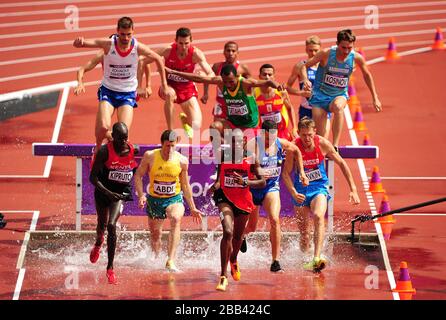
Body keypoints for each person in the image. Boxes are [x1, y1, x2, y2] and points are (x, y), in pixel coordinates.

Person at [73, 16, 168, 152]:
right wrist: (80, 43)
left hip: (127, 94)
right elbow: (90, 43)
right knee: (103, 127)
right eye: (122, 34)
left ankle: (119, 146)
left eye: (128, 34)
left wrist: (160, 84)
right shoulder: (108, 45)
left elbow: (157, 58)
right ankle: (99, 149)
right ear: (117, 32)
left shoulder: (137, 47)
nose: (125, 38)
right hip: (108, 91)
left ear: (133, 32)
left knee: (123, 132)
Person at [282, 117, 360, 272]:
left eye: (309, 135)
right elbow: (285, 173)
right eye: (303, 135)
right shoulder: (294, 147)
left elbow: (342, 163)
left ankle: (317, 258)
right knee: (304, 236)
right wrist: (293, 192)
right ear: (299, 134)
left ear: (314, 132)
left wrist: (354, 189)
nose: (307, 139)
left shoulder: (322, 143)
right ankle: (306, 259)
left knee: (318, 216)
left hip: (319, 188)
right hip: (301, 191)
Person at [165, 64, 284, 150]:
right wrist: (174, 72)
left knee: (242, 146)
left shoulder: (245, 83)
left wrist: (277, 85)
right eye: (225, 81)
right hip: (232, 123)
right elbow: (198, 79)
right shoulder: (220, 82)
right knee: (214, 127)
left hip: (250, 125)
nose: (228, 85)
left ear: (237, 77)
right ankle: (223, 154)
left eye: (231, 81)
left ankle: (234, 151)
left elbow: (267, 82)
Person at [243, 120, 308, 272]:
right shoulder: (252, 146)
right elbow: (242, 167)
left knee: (275, 218)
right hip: (254, 188)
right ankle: (242, 236)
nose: (269, 141)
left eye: (272, 138)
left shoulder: (280, 143)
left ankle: (275, 261)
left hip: (271, 187)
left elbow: (297, 150)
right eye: (266, 139)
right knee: (252, 227)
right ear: (261, 134)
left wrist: (302, 172)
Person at [134, 130, 203, 272]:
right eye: (167, 146)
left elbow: (185, 185)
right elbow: (138, 176)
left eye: (173, 146)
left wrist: (193, 207)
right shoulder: (150, 156)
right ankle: (155, 258)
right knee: (155, 235)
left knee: (176, 218)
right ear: (162, 144)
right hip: (155, 200)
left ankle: (171, 260)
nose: (170, 149)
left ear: (176, 144)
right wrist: (141, 195)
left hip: (174, 198)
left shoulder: (182, 161)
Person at [301, 29, 382, 149]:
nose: (346, 51)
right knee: (321, 138)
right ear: (337, 44)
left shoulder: (356, 58)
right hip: (319, 95)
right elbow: (303, 66)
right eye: (343, 47)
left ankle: (335, 145)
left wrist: (375, 97)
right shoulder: (326, 54)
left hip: (339, 95)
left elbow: (367, 75)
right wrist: (305, 79)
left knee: (339, 107)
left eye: (350, 48)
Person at [209, 129, 266, 291]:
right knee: (227, 231)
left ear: (244, 142)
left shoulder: (252, 158)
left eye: (239, 142)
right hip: (225, 197)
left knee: (238, 236)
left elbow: (262, 181)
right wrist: (215, 187)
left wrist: (246, 181)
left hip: (243, 200)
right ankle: (223, 276)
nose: (236, 145)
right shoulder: (223, 156)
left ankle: (233, 259)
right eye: (233, 142)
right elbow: (220, 177)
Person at [89, 122, 139, 285]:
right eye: (121, 139)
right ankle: (98, 243)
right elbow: (93, 178)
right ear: (113, 138)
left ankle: (110, 268)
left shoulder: (133, 149)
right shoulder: (104, 151)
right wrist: (108, 192)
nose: (124, 141)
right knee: (101, 225)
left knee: (112, 225)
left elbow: (138, 167)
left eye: (126, 138)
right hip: (103, 192)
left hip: (118, 195)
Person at [154, 27, 214, 139]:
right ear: (175, 41)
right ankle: (171, 132)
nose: (183, 47)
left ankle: (185, 120)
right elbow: (147, 58)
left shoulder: (196, 54)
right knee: (169, 94)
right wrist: (146, 84)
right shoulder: (167, 50)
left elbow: (211, 74)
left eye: (186, 43)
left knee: (196, 126)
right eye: (180, 43)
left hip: (187, 88)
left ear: (191, 41)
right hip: (169, 85)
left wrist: (204, 77)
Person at [285, 35, 331, 137]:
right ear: (306, 49)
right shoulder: (300, 66)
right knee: (305, 143)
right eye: (310, 50)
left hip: (322, 109)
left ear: (321, 49)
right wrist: (301, 93)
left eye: (316, 50)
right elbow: (287, 88)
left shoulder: (326, 66)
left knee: (322, 141)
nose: (313, 53)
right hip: (306, 110)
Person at [201, 41, 251, 121]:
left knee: (234, 130)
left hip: (236, 103)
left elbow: (251, 83)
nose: (230, 53)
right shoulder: (217, 66)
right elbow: (207, 79)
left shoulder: (243, 68)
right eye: (228, 50)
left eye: (233, 51)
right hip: (221, 101)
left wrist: (250, 98)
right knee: (215, 129)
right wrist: (205, 94)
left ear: (237, 52)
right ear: (224, 52)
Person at [254, 63, 298, 141]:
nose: (267, 77)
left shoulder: (281, 92)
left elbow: (289, 108)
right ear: (259, 76)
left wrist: (294, 127)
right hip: (264, 135)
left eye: (270, 74)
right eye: (264, 74)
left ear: (274, 77)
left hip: (281, 133)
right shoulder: (254, 93)